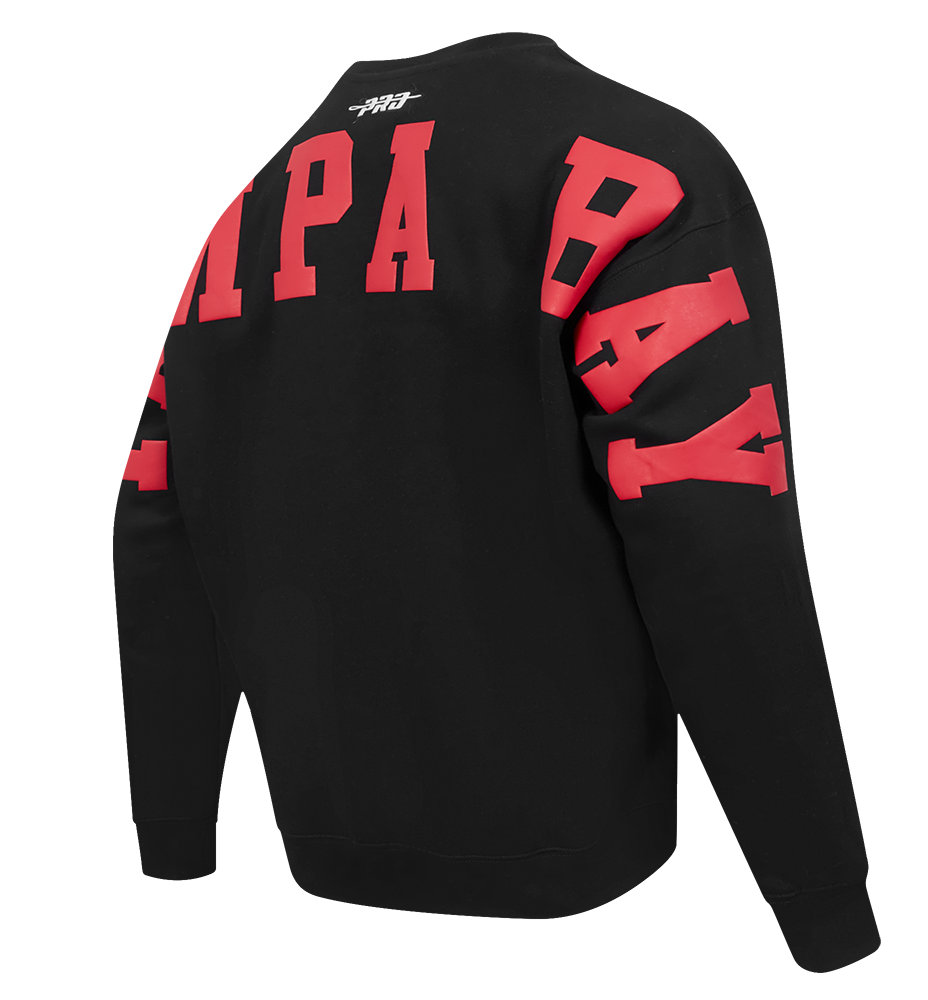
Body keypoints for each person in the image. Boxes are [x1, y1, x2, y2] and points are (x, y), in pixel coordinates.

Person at [115, 32, 878, 971]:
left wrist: (178, 857)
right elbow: (709, 518)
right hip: (601, 890)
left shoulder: (241, 211)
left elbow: (151, 528)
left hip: (305, 879)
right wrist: (810, 885)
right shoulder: (624, 163)